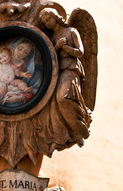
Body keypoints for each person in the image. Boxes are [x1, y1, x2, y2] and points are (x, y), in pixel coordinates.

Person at [39, 8, 91, 147]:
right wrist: (56, 46)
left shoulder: (71, 31)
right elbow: (49, 57)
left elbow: (80, 52)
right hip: (57, 72)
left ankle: (79, 130)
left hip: (70, 69)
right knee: (53, 104)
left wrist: (65, 47)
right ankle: (60, 137)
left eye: (48, 18)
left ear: (55, 16)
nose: (47, 23)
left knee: (63, 99)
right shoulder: (52, 38)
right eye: (44, 21)